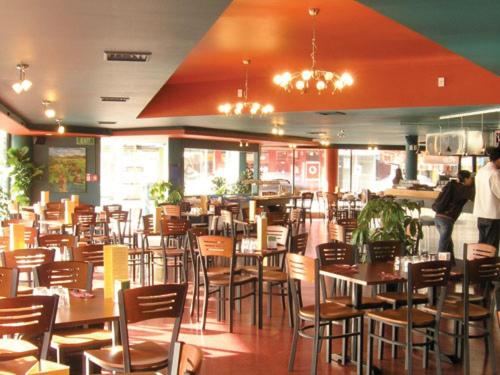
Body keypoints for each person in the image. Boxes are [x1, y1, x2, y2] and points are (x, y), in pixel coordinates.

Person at [432, 170, 474, 261]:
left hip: (438, 217)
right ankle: (438, 266)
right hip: (447, 220)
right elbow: (475, 197)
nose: (472, 180)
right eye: (471, 178)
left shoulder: (451, 184)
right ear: (466, 179)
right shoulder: (463, 189)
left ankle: (451, 264)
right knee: (443, 246)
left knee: (448, 243)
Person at [473, 146, 500, 249]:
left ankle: (479, 265)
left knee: (482, 246)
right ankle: (489, 265)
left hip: (481, 215)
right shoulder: (494, 173)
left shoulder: (481, 171)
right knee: (491, 248)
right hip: (492, 215)